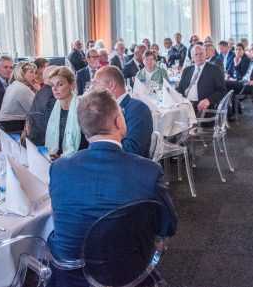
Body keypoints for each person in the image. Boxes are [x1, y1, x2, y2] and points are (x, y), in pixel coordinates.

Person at [48, 89, 177, 279]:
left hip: (68, 276)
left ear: (84, 129)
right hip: (125, 275)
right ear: (119, 122)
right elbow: (168, 226)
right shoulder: (147, 170)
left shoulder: (58, 168)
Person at [93, 66, 153, 157]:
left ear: (111, 85)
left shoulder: (138, 109)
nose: (92, 88)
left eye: (95, 84)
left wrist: (98, 152)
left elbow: (132, 150)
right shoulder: (101, 109)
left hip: (128, 167)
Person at [44, 67, 88, 158]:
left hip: (78, 159)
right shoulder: (50, 106)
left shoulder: (83, 107)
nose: (55, 89)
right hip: (52, 158)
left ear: (72, 85)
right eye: (52, 85)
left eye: (60, 84)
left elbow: (86, 143)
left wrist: (62, 158)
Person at [176, 45, 227, 117]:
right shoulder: (187, 70)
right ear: (192, 58)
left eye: (201, 54)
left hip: (201, 108)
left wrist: (208, 100)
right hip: (184, 104)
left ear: (205, 55)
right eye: (196, 54)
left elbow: (222, 90)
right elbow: (180, 88)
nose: (199, 56)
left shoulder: (215, 70)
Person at [0, 62, 37, 133]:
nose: (35, 76)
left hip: (2, 124)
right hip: (13, 125)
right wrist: (38, 90)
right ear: (22, 73)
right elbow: (35, 111)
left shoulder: (13, 85)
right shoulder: (22, 89)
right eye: (31, 72)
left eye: (35, 72)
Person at [26, 65, 59, 146]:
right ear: (53, 77)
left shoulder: (42, 91)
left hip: (36, 138)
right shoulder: (52, 95)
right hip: (45, 143)